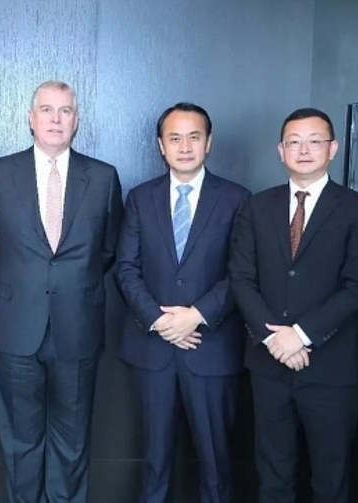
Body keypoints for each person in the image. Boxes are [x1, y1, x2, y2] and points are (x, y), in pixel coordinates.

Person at [0, 80, 123, 502]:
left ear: (77, 119)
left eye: (65, 111)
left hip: (78, 325)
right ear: (31, 117)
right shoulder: (0, 173)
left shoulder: (103, 177)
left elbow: (109, 247)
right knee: (20, 443)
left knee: (72, 440)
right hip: (16, 327)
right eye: (46, 110)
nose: (56, 119)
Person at [229, 107, 358, 503]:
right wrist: (273, 339)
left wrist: (300, 336)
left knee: (331, 478)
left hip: (330, 368)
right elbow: (241, 279)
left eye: (315, 141)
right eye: (294, 142)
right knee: (272, 474)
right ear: (280, 151)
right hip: (268, 367)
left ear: (332, 148)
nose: (304, 150)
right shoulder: (257, 207)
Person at [115, 103, 249, 503]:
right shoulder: (140, 198)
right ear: (161, 145)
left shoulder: (237, 198)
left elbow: (241, 273)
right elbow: (125, 267)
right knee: (155, 461)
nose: (185, 146)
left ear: (209, 143)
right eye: (175, 138)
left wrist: (196, 315)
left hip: (212, 349)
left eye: (194, 136)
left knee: (215, 464)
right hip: (153, 348)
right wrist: (160, 321)